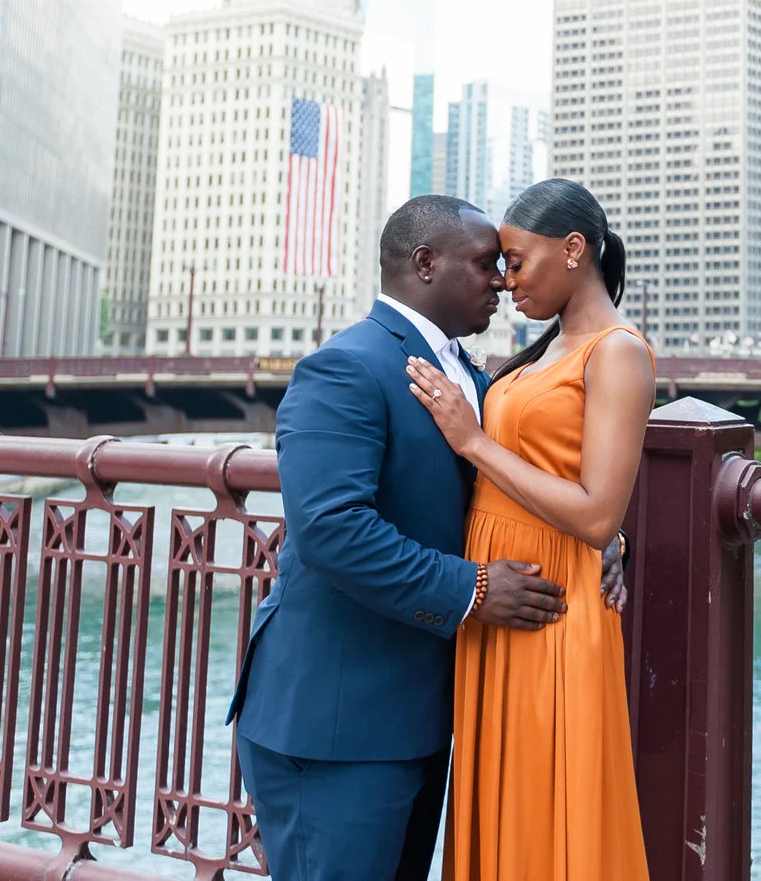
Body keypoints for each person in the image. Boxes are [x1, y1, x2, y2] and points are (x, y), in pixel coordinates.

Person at [227, 196, 579, 881]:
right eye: (485, 264)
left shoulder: (471, 377)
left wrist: (608, 535)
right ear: (425, 263)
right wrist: (475, 589)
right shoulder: (345, 367)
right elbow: (331, 529)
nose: (502, 282)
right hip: (335, 728)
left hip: (417, 721)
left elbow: (521, 482)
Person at [408, 178, 654, 879]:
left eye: (517, 260)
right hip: (496, 599)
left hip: (551, 607)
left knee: (550, 807)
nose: (505, 280)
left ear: (574, 249)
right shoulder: (540, 351)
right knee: (498, 794)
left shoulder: (617, 351)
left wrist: (473, 439)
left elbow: (599, 510)